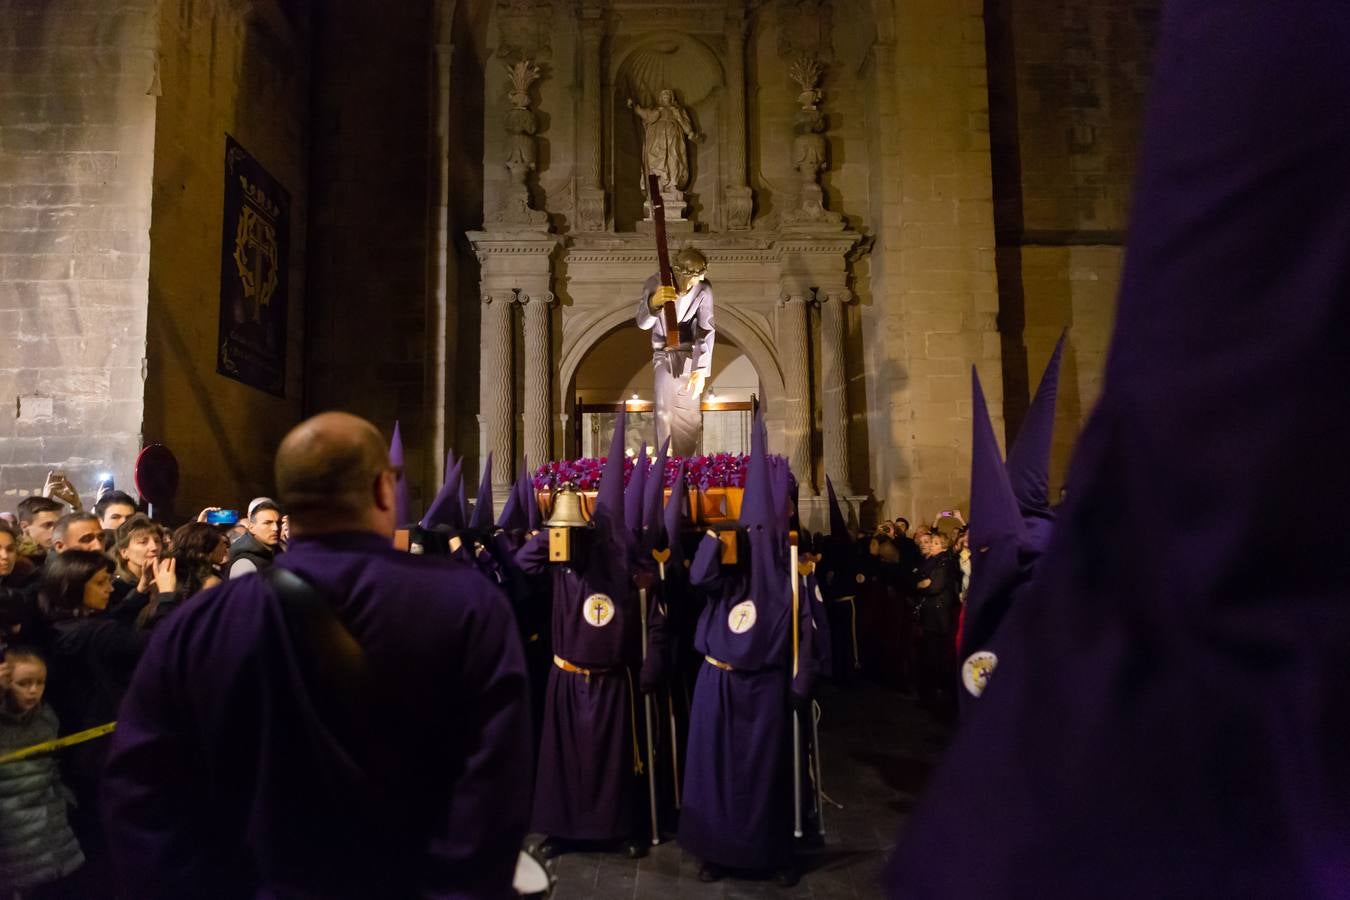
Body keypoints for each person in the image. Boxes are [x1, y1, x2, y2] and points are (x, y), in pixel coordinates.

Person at [101, 411, 533, 898]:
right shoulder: (468, 607)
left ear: (289, 503)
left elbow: (141, 796)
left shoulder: (199, 626)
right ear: (384, 490)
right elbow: (495, 792)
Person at [41, 549, 175, 895]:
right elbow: (162, 645)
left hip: (81, 752)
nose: (107, 589)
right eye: (99, 583)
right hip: (104, 754)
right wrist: (168, 596)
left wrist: (140, 592)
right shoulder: (94, 636)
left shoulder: (63, 629)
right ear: (73, 588)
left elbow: (110, 623)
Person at [0, 646, 86, 895]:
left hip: (53, 830)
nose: (33, 690)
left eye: (40, 682)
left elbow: (51, 766)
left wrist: (64, 798)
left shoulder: (46, 718)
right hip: (12, 838)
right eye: (23, 683)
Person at [635, 247, 716, 456]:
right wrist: (654, 303)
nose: (694, 283)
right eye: (691, 277)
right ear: (679, 272)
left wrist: (700, 369)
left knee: (689, 417)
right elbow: (643, 323)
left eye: (698, 277)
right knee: (664, 411)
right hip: (664, 353)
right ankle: (666, 464)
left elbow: (706, 329)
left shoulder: (703, 289)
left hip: (690, 355)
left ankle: (686, 466)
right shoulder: (657, 283)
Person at [627, 88, 698, 194]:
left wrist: (690, 131)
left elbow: (686, 124)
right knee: (655, 159)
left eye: (667, 93)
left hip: (673, 135)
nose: (665, 94)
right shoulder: (656, 109)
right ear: (660, 97)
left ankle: (673, 184)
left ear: (671, 96)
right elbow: (645, 114)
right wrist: (634, 106)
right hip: (657, 137)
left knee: (674, 157)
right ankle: (657, 185)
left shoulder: (678, 110)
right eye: (663, 93)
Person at [226, 499, 281, 578]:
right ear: (251, 527)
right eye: (267, 523)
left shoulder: (277, 553)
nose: (275, 528)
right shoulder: (244, 564)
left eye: (278, 523)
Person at [16, 496, 64, 564]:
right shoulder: (14, 562)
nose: (56, 530)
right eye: (48, 525)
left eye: (59, 524)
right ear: (24, 527)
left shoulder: (58, 554)